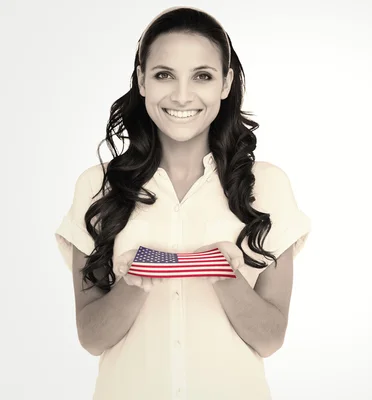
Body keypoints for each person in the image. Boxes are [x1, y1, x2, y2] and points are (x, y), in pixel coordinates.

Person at [54, 6, 311, 400]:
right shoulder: (98, 186)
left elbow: (270, 339)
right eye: (163, 75)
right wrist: (134, 283)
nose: (182, 95)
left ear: (225, 84)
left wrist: (224, 274)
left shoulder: (268, 187)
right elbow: (91, 336)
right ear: (142, 80)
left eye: (202, 76)